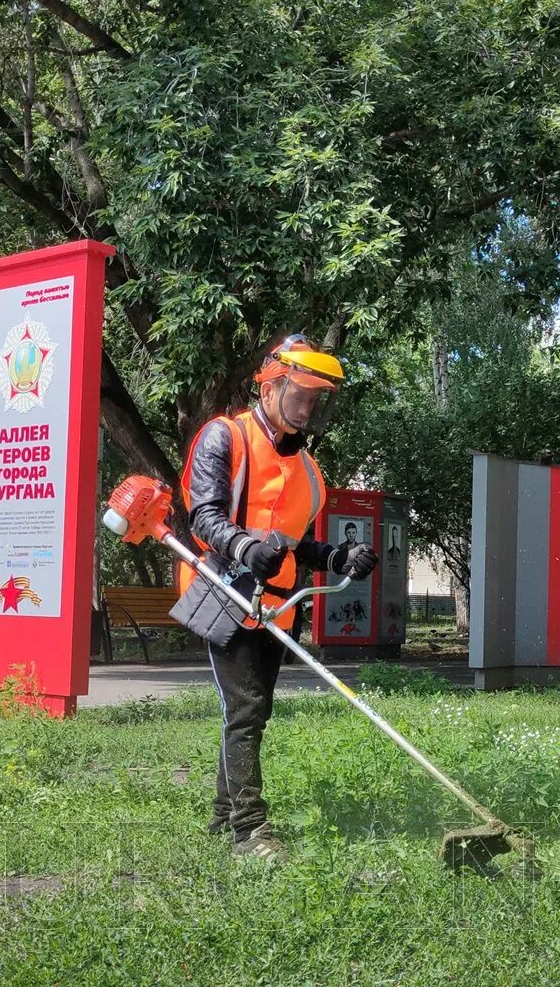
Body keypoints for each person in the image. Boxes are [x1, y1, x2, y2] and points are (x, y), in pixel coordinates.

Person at [181, 333, 378, 861]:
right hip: (223, 589)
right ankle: (250, 831)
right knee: (245, 707)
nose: (307, 408)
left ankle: (223, 816)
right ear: (269, 387)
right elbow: (204, 515)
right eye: (299, 394)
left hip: (277, 601)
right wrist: (245, 548)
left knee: (254, 708)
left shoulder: (306, 467)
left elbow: (298, 540)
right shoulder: (226, 438)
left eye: (315, 400)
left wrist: (338, 558)